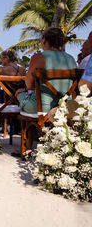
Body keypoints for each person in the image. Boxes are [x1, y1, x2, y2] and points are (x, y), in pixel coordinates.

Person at [14, 27, 77, 155]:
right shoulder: (71, 58)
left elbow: (29, 84)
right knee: (30, 97)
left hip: (43, 108)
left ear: (44, 40)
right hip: (66, 108)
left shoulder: (38, 57)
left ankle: (27, 148)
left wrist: (23, 91)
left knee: (20, 94)